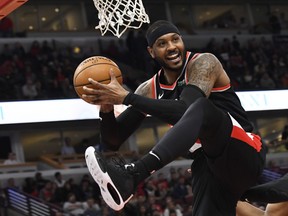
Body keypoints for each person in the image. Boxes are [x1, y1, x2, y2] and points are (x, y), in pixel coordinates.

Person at [81, 20, 282, 215]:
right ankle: (128, 180)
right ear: (151, 52)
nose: (171, 47)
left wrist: (127, 97)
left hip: (243, 152)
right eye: (162, 43)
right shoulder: (149, 88)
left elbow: (186, 108)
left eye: (175, 39)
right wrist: (106, 106)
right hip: (210, 167)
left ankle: (134, 174)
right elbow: (112, 140)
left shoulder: (204, 63)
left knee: (201, 107)